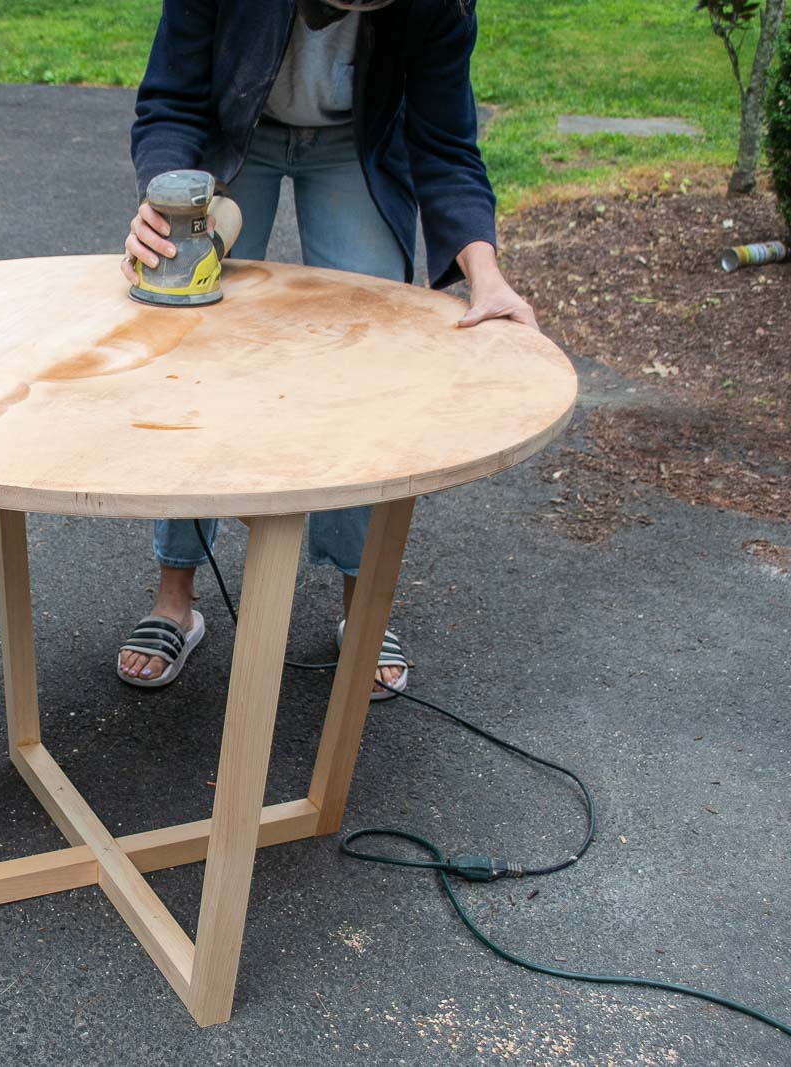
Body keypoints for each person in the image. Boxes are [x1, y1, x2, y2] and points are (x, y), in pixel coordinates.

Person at [116, 0, 537, 697]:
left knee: (365, 373)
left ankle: (360, 608)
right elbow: (171, 100)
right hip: (233, 131)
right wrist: (161, 205)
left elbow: (446, 145)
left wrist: (484, 276)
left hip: (354, 143)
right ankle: (174, 597)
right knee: (195, 349)